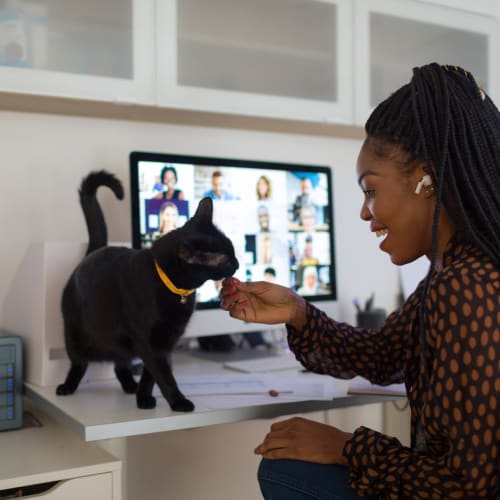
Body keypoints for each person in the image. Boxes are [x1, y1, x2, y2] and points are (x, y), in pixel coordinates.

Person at [220, 63, 500, 499]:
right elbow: (384, 355)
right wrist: (296, 311)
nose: (365, 212)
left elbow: (465, 489)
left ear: (427, 180)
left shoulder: (467, 286)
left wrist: (349, 448)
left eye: (370, 190)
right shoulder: (452, 271)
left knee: (283, 470)